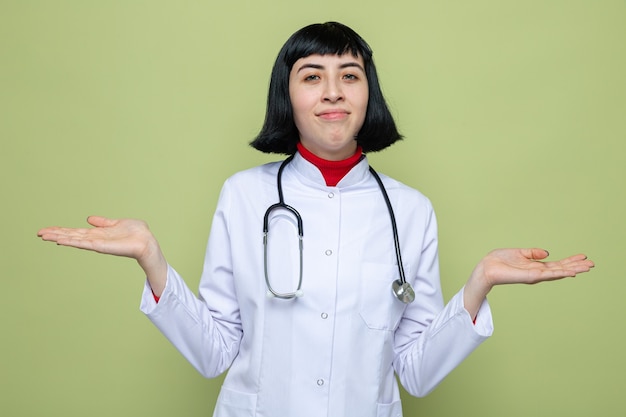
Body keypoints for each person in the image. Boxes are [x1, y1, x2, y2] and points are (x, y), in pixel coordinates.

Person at [37, 22, 594, 417]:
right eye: (312, 76)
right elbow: (213, 353)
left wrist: (479, 286)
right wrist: (151, 261)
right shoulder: (243, 196)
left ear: (367, 93)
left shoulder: (410, 210)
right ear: (289, 94)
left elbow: (417, 371)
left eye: (349, 75)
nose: (332, 92)